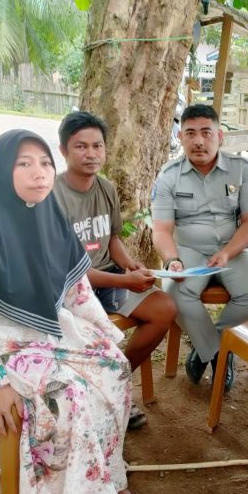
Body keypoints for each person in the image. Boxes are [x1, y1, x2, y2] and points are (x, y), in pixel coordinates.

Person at [0, 130, 131, 494]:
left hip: (47, 332)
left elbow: (77, 291)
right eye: (23, 163)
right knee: (68, 392)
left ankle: (100, 478)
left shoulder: (48, 218)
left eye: (45, 163)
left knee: (113, 365)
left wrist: (103, 333)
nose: (39, 173)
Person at [52, 111, 177, 429]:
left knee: (164, 308)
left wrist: (128, 263)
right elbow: (70, 271)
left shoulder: (105, 189)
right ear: (64, 150)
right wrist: (125, 279)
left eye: (97, 146)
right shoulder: (52, 197)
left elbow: (112, 238)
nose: (91, 153)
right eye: (81, 146)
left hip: (107, 276)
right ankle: (92, 392)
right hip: (68, 289)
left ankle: (114, 383)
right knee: (89, 332)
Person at [151, 104, 248, 391]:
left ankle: (208, 345)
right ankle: (218, 355)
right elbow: (162, 230)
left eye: (206, 132)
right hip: (190, 249)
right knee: (175, 294)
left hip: (233, 249)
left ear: (220, 135)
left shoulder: (241, 170)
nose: (198, 141)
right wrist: (172, 260)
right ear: (180, 137)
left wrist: (228, 252)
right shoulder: (169, 175)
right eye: (190, 133)